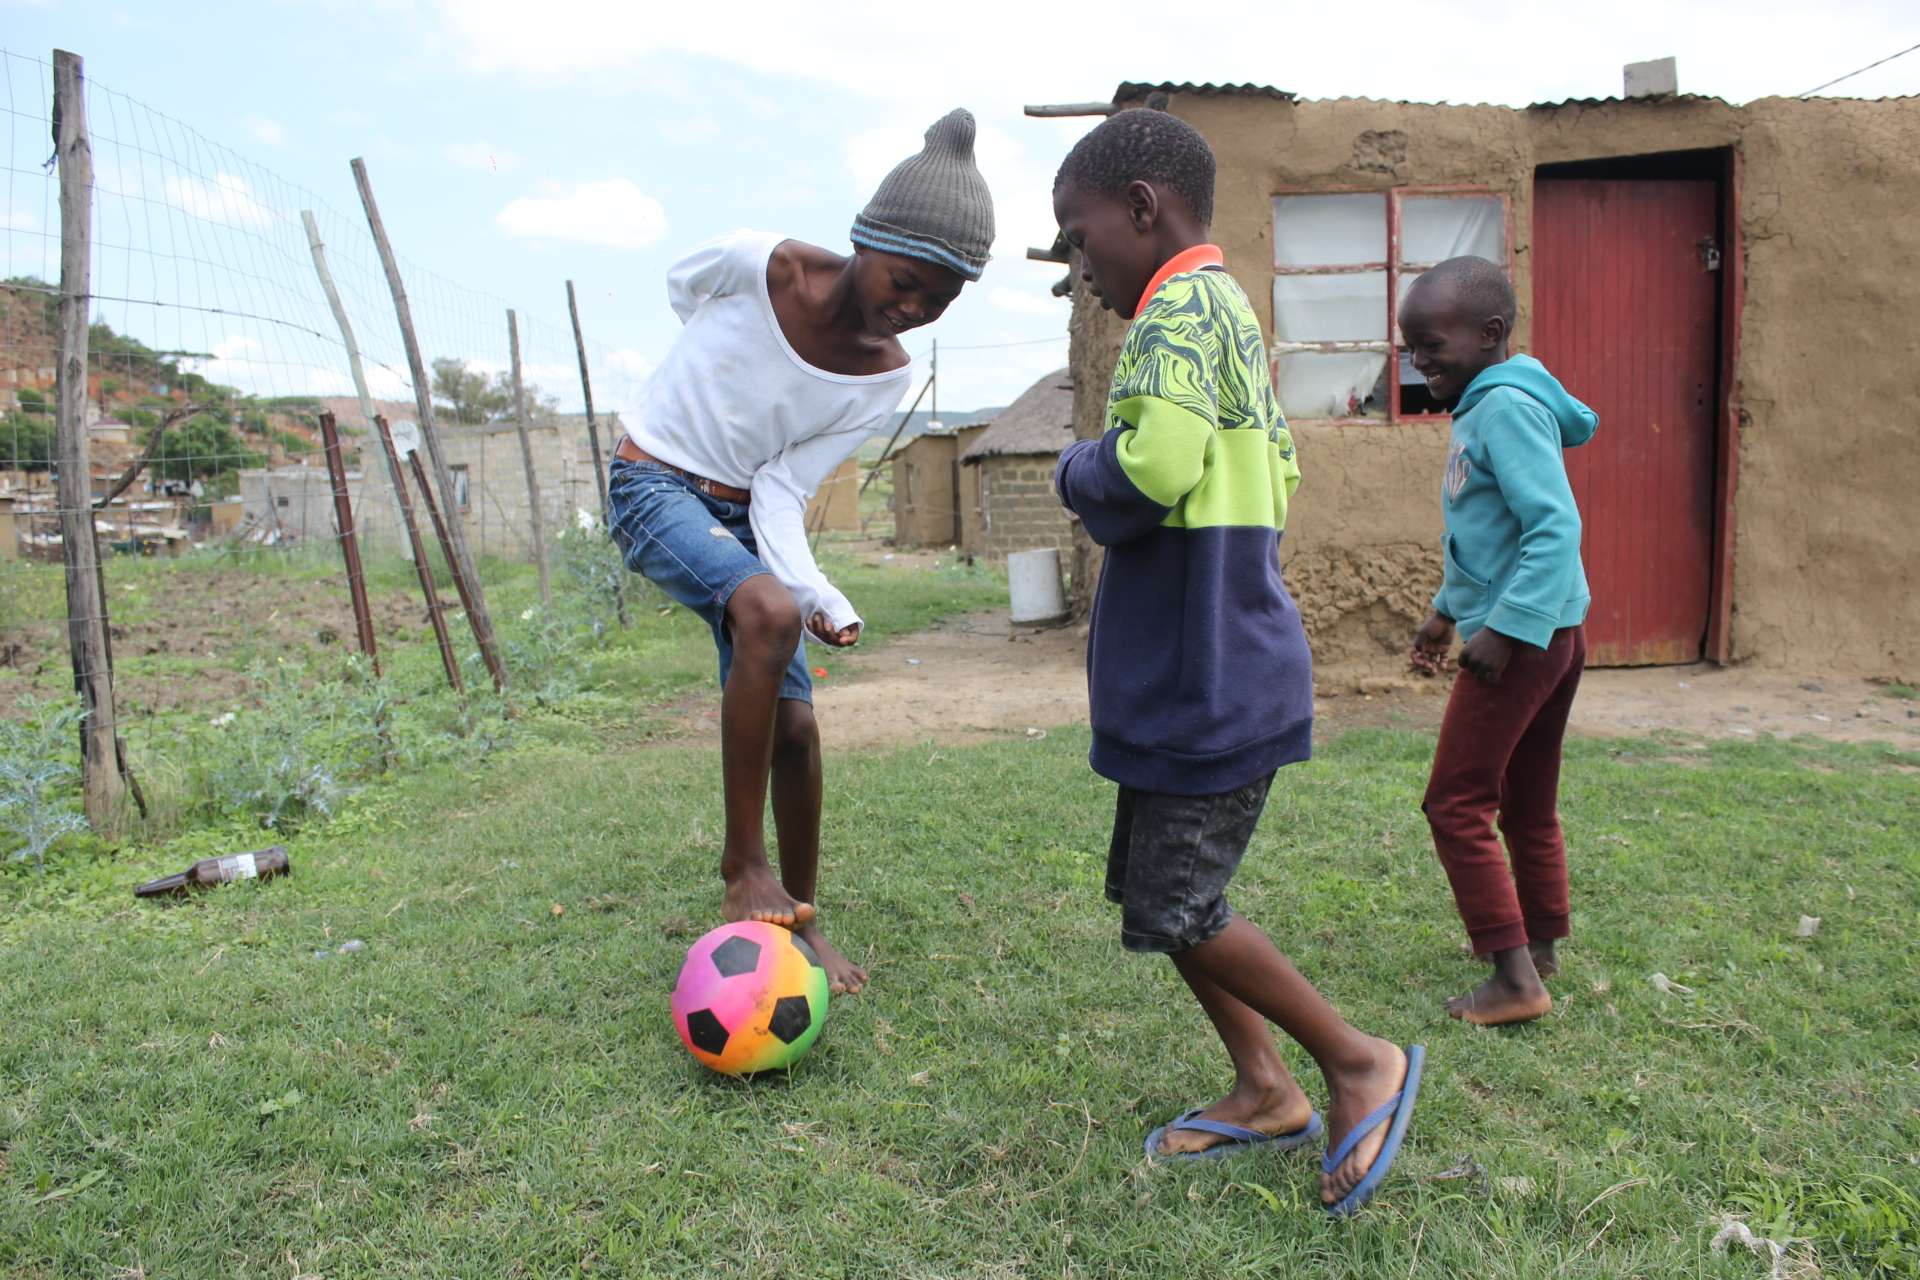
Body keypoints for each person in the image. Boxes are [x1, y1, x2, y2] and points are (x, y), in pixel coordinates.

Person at [1051, 108, 1423, 1216]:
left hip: (1209, 678)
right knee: (1156, 894)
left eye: (1078, 239)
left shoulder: (1175, 311)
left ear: (1140, 209)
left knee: (1184, 900)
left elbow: (1153, 466)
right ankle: (1263, 1088)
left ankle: (1356, 1059)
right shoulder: (1228, 311)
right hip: (1200, 669)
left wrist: (1080, 468)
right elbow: (1279, 474)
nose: (1079, 269)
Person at [607, 109, 994, 996]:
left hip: (744, 515)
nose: (915, 308)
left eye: (941, 300)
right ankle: (742, 863)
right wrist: (700, 386)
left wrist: (823, 594)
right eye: (906, 282)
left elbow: (781, 488)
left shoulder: (888, 372)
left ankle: (798, 918)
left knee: (799, 722)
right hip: (651, 481)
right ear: (865, 242)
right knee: (764, 611)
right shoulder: (760, 262)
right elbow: (683, 286)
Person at [1403, 255, 1598, 1027]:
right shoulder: (1484, 404)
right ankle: (1541, 946)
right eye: (1410, 348)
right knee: (1527, 801)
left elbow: (1554, 528)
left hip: (1524, 640)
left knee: (1454, 802)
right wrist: (1446, 611)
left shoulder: (1507, 408)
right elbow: (1488, 536)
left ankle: (1515, 982)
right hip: (1552, 631)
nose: (1419, 363)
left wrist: (1503, 632)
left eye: (1432, 346)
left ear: (1489, 335)